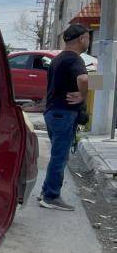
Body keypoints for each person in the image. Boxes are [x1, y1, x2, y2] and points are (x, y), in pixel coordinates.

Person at [39, 24, 90, 211]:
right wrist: (83, 95)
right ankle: (51, 197)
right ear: (81, 39)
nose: (89, 41)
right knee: (59, 157)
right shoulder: (75, 59)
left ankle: (46, 192)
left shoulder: (59, 58)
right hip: (64, 114)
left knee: (57, 155)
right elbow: (83, 79)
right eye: (88, 37)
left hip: (54, 113)